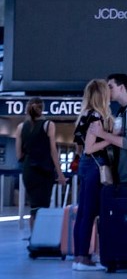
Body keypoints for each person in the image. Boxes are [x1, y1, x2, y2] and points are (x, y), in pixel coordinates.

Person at [71, 80, 112, 270]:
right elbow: (89, 148)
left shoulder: (82, 116)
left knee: (83, 213)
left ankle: (79, 255)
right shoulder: (96, 116)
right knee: (89, 213)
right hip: (96, 167)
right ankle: (83, 258)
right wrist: (110, 139)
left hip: (85, 167)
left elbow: (81, 148)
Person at [87, 73, 127, 187]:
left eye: (110, 87)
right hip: (124, 174)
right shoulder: (123, 111)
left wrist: (102, 134)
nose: (107, 91)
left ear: (121, 87)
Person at [15, 97, 68, 231]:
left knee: (34, 205)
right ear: (42, 108)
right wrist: (60, 174)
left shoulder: (21, 127)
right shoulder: (48, 125)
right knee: (43, 205)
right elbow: (53, 151)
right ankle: (40, 237)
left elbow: (18, 155)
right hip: (44, 170)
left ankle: (34, 238)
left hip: (29, 171)